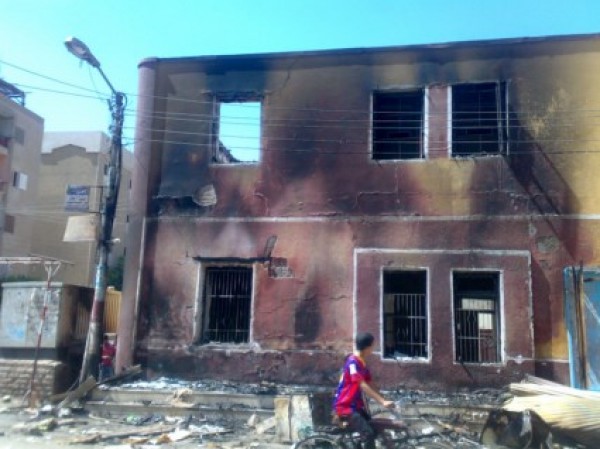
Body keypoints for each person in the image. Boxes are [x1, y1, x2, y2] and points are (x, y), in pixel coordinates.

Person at [333, 332, 395, 449]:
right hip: (346, 406)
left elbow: (370, 383)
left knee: (374, 429)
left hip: (356, 406)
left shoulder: (362, 362)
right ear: (367, 347)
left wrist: (383, 398)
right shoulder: (353, 363)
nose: (373, 348)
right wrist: (382, 401)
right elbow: (362, 384)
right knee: (368, 434)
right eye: (372, 346)